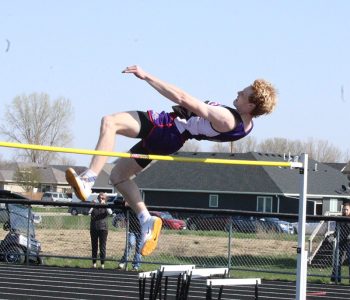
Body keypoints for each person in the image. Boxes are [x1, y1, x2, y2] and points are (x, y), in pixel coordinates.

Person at [66, 65, 277, 257]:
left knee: (109, 122)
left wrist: (147, 76)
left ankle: (89, 179)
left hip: (167, 128)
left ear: (250, 106)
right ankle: (146, 219)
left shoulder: (227, 118)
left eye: (243, 93)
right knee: (118, 176)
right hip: (170, 139)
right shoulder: (247, 126)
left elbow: (184, 98)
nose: (238, 92)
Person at [89, 192, 113, 269]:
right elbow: (89, 212)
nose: (100, 199)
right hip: (94, 228)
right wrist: (93, 205)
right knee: (94, 246)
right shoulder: (94, 205)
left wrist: (104, 204)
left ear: (105, 199)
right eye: (99, 198)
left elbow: (110, 212)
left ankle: (102, 265)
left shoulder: (106, 206)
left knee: (102, 247)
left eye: (102, 198)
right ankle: (94, 264)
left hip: (103, 229)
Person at [117, 204, 142, 271]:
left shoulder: (141, 206)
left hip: (141, 231)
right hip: (132, 230)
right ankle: (123, 262)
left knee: (139, 248)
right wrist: (125, 202)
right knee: (130, 244)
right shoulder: (128, 207)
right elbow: (119, 203)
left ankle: (135, 265)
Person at [331, 202, 350, 283]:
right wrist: (332, 236)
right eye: (343, 209)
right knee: (337, 261)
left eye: (347, 209)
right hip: (340, 242)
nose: (345, 211)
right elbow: (336, 231)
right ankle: (336, 278)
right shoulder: (340, 219)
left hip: (349, 243)